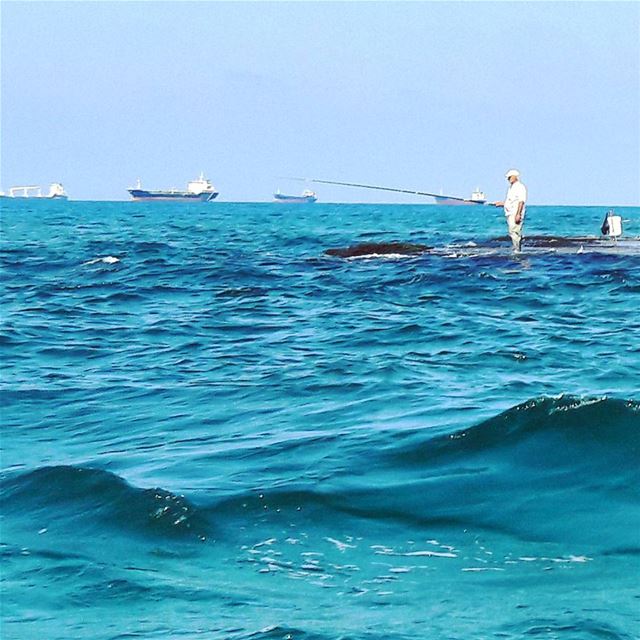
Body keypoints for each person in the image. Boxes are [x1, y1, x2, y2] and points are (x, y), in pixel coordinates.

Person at [493, 169, 527, 253]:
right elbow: (510, 201)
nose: (508, 179)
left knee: (515, 232)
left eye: (509, 177)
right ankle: (516, 248)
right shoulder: (511, 188)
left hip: (515, 213)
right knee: (512, 232)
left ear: (515, 176)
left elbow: (521, 201)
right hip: (509, 213)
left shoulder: (520, 187)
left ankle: (517, 250)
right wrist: (501, 203)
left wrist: (518, 214)